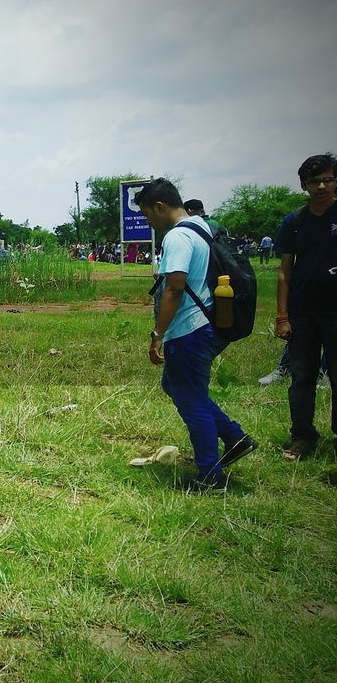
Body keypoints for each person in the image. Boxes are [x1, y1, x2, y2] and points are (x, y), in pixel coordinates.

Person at [139, 178, 256, 490]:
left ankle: (210, 476)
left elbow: (174, 289)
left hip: (189, 328)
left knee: (191, 400)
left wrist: (158, 333)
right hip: (208, 323)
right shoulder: (201, 226)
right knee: (175, 386)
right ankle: (233, 437)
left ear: (160, 207)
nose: (149, 222)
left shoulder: (177, 237)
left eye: (149, 215)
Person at [275, 153, 337, 461]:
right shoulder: (295, 223)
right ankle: (302, 436)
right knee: (302, 376)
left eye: (328, 178)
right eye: (314, 181)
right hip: (303, 312)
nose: (322, 186)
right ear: (303, 185)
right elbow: (285, 271)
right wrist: (282, 315)